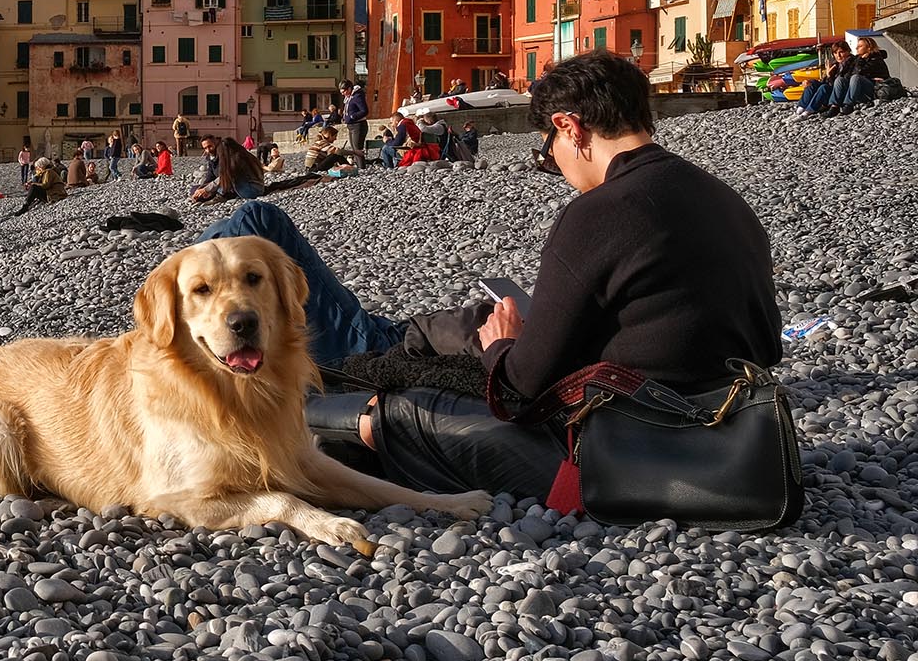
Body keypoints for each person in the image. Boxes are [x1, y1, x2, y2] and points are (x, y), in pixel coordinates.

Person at [219, 52, 781, 503]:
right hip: (716, 428)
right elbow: (764, 344)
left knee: (387, 408)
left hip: (608, 448)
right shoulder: (725, 201)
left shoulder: (602, 212)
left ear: (569, 127)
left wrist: (504, 345)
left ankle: (243, 400)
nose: (555, 162)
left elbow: (520, 388)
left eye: (549, 148)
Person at [190, 136, 267, 203]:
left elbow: (226, 176)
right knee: (196, 189)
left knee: (225, 181)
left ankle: (220, 195)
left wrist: (206, 190)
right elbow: (211, 177)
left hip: (251, 190)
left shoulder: (238, 158)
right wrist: (201, 189)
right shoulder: (240, 156)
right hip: (253, 188)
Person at [341, 81, 369, 166]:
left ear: (349, 89)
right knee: (353, 148)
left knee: (357, 148)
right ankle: (358, 166)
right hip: (351, 125)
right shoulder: (348, 98)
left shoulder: (357, 97)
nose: (342, 94)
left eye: (344, 91)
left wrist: (352, 116)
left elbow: (364, 110)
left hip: (358, 125)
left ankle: (362, 167)